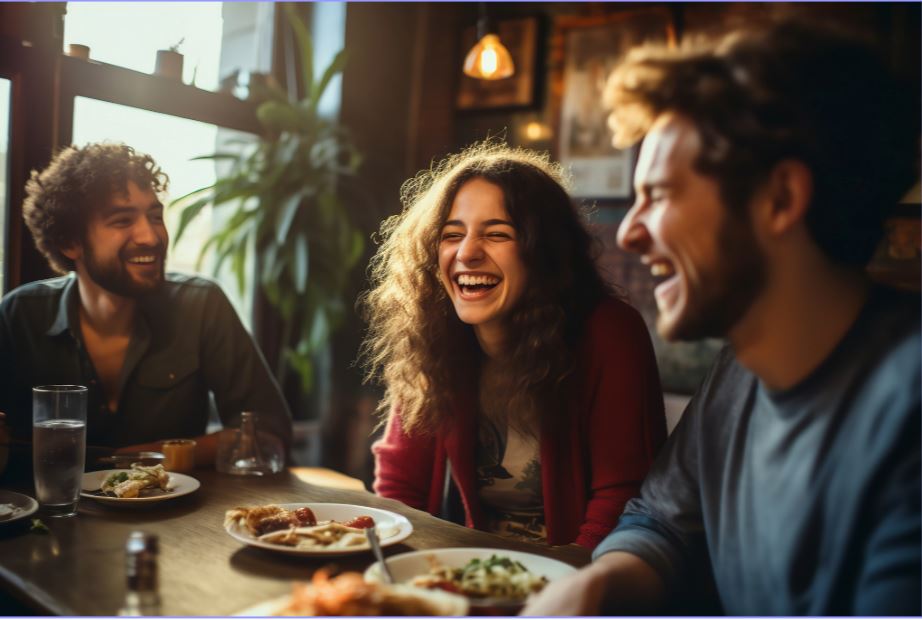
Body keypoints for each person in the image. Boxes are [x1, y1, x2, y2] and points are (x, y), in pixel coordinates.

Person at [523, 20, 920, 615]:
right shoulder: (742, 370)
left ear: (780, 199)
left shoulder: (906, 408)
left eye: (656, 194)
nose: (629, 234)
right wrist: (593, 587)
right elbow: (661, 522)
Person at [362, 143, 667, 549]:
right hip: (471, 576)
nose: (467, 253)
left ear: (543, 251)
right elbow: (401, 484)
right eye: (452, 234)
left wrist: (571, 588)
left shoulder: (609, 332)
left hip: (578, 584)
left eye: (497, 234)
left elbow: (623, 496)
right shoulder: (434, 332)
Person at [0, 143, 292, 466]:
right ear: (70, 242)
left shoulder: (201, 305)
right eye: (122, 221)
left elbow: (267, 436)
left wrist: (142, 458)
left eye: (155, 216)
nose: (151, 237)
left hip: (178, 513)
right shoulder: (19, 317)